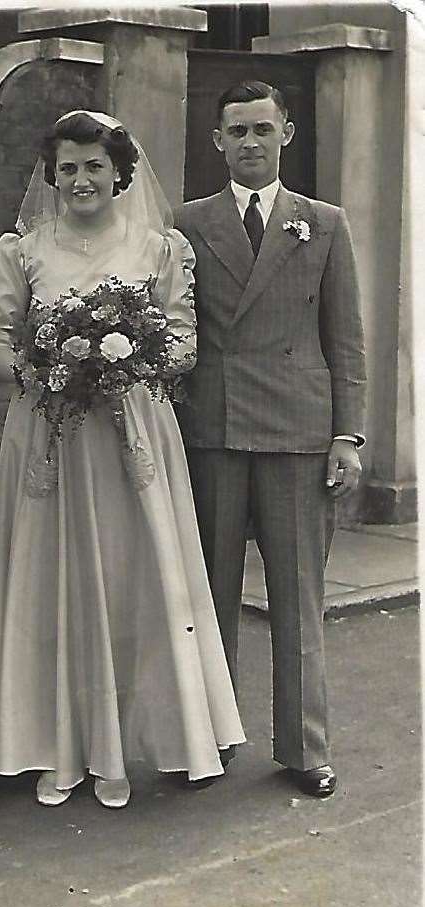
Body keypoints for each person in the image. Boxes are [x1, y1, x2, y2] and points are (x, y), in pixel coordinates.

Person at [0, 111, 245, 810]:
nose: (81, 178)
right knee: (52, 577)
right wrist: (47, 368)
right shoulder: (23, 250)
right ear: (52, 175)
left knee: (135, 576)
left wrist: (127, 355)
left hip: (133, 434)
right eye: (68, 166)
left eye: (94, 165)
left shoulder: (160, 248)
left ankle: (134, 741)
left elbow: (183, 343)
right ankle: (56, 745)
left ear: (119, 172)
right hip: (51, 436)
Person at [174, 82, 366, 799]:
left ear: (287, 134)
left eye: (263, 129)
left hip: (298, 433)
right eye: (236, 131)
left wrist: (346, 435)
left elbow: (345, 340)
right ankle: (210, 738)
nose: (250, 143)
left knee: (297, 599)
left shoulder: (323, 223)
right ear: (217, 141)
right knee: (209, 597)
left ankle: (304, 747)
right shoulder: (186, 224)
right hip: (215, 430)